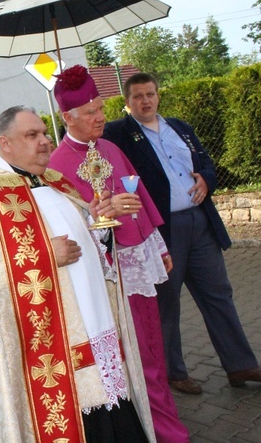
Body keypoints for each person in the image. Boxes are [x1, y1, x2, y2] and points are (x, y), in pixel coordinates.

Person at [0, 106, 154, 441]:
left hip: (94, 320)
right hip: (47, 345)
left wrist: (98, 221)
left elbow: (89, 245)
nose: (45, 141)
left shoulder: (58, 182)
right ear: (4, 143)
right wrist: (45, 256)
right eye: (32, 135)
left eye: (45, 133)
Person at [49, 65, 188, 442]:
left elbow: (139, 197)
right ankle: (157, 428)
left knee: (153, 348)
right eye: (91, 111)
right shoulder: (57, 167)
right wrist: (100, 215)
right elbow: (70, 229)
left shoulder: (110, 147)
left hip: (138, 260)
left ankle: (165, 422)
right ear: (68, 117)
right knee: (135, 355)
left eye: (100, 107)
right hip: (108, 272)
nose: (101, 116)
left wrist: (157, 246)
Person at [104, 72, 261, 394]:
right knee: (166, 304)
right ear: (127, 102)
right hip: (163, 230)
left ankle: (240, 364)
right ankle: (174, 372)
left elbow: (206, 164)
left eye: (150, 94)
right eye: (138, 96)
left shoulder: (180, 128)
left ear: (158, 95)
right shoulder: (118, 133)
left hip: (199, 223)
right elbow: (95, 156)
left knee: (218, 294)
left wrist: (205, 177)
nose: (145, 101)